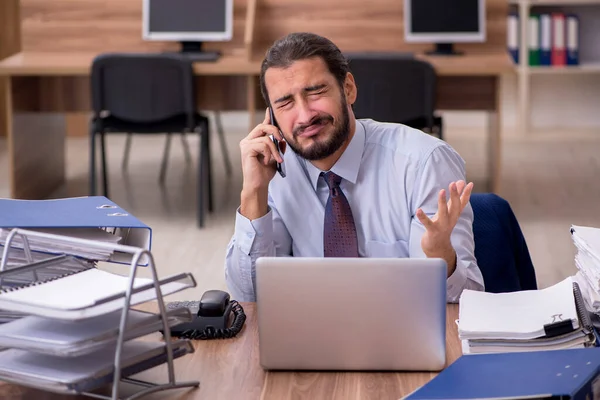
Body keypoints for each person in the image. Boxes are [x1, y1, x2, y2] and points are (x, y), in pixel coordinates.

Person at [224, 32, 485, 302]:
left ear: (348, 89)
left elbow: (469, 299)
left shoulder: (424, 162)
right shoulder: (276, 169)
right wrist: (254, 192)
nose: (304, 115)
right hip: (312, 333)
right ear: (272, 116)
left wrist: (440, 258)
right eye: (285, 103)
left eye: (315, 92)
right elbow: (249, 296)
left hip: (401, 334)